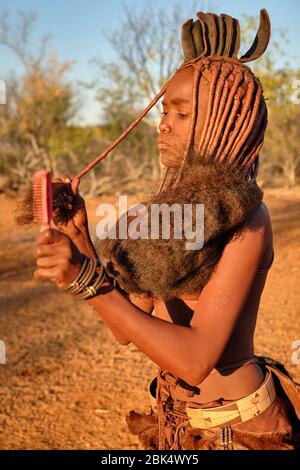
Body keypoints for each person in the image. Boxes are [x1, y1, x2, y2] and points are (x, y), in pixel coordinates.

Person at [33, 9, 300, 450]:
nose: (163, 124)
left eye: (181, 113)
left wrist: (84, 278)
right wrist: (81, 238)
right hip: (179, 422)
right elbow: (126, 328)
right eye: (164, 111)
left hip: (238, 430)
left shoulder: (250, 222)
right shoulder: (162, 213)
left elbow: (195, 360)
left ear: (223, 124)